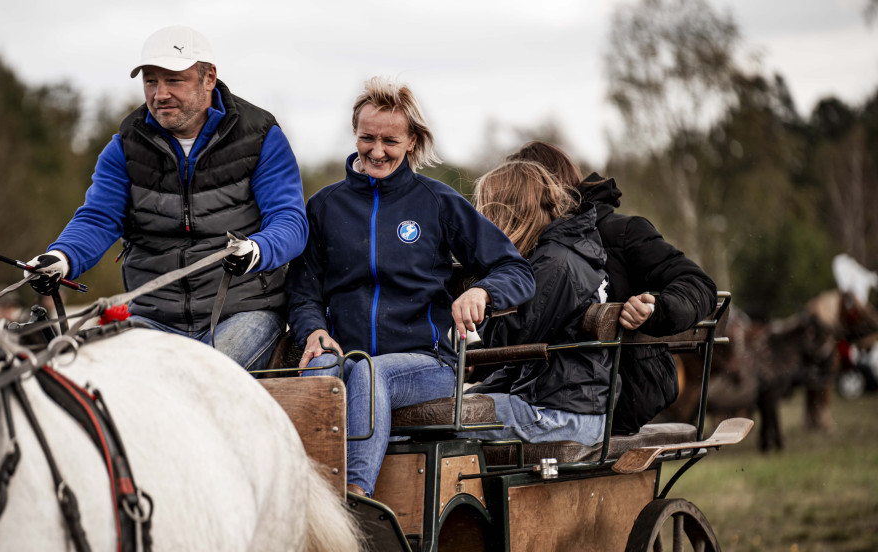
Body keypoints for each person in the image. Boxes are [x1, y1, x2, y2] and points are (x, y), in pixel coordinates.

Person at [287, 77, 535, 498]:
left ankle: (353, 498)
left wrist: (482, 292)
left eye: (390, 140)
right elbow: (302, 290)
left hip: (430, 363)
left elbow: (516, 270)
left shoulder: (437, 201)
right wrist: (313, 330)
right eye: (367, 138)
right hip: (346, 356)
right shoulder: (326, 206)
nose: (377, 151)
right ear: (355, 134)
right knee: (319, 373)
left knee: (368, 372)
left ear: (413, 142)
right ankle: (301, 498)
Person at [26, 25, 308, 370]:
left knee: (203, 376)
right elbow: (98, 218)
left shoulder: (262, 137)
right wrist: (60, 258)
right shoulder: (124, 148)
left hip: (243, 312)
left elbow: (290, 221)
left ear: (209, 78)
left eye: (174, 80)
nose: (160, 94)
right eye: (150, 81)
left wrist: (258, 249)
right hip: (152, 317)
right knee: (95, 374)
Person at [509, 141, 717, 434]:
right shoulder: (539, 247)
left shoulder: (623, 233)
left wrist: (654, 308)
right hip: (551, 392)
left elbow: (699, 285)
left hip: (624, 392)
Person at [464, 160, 612, 446]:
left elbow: (508, 343)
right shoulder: (565, 252)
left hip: (559, 413)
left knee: (434, 422)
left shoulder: (553, 262)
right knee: (447, 409)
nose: (482, 223)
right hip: (568, 405)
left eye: (487, 212)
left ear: (510, 212)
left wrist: (483, 289)